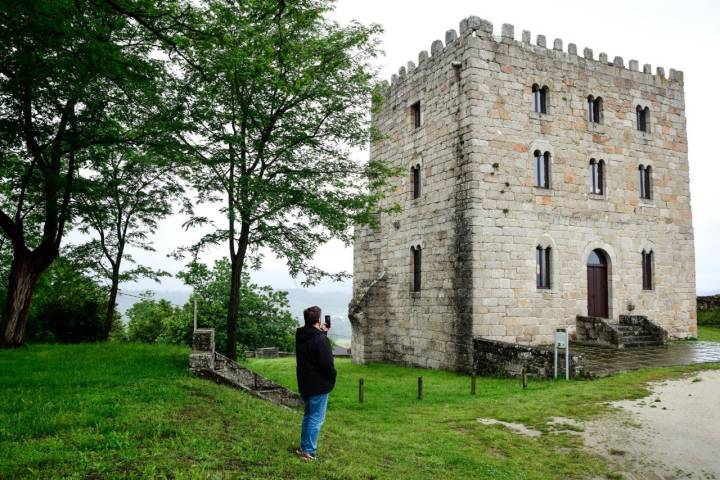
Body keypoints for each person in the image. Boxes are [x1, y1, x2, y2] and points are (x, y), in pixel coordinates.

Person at [295, 305, 336, 461]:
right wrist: (333, 375)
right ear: (318, 320)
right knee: (316, 418)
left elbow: (312, 345)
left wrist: (323, 333)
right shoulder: (320, 339)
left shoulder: (301, 335)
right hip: (318, 385)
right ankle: (309, 451)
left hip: (305, 383)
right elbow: (327, 364)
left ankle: (303, 447)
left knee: (308, 415)